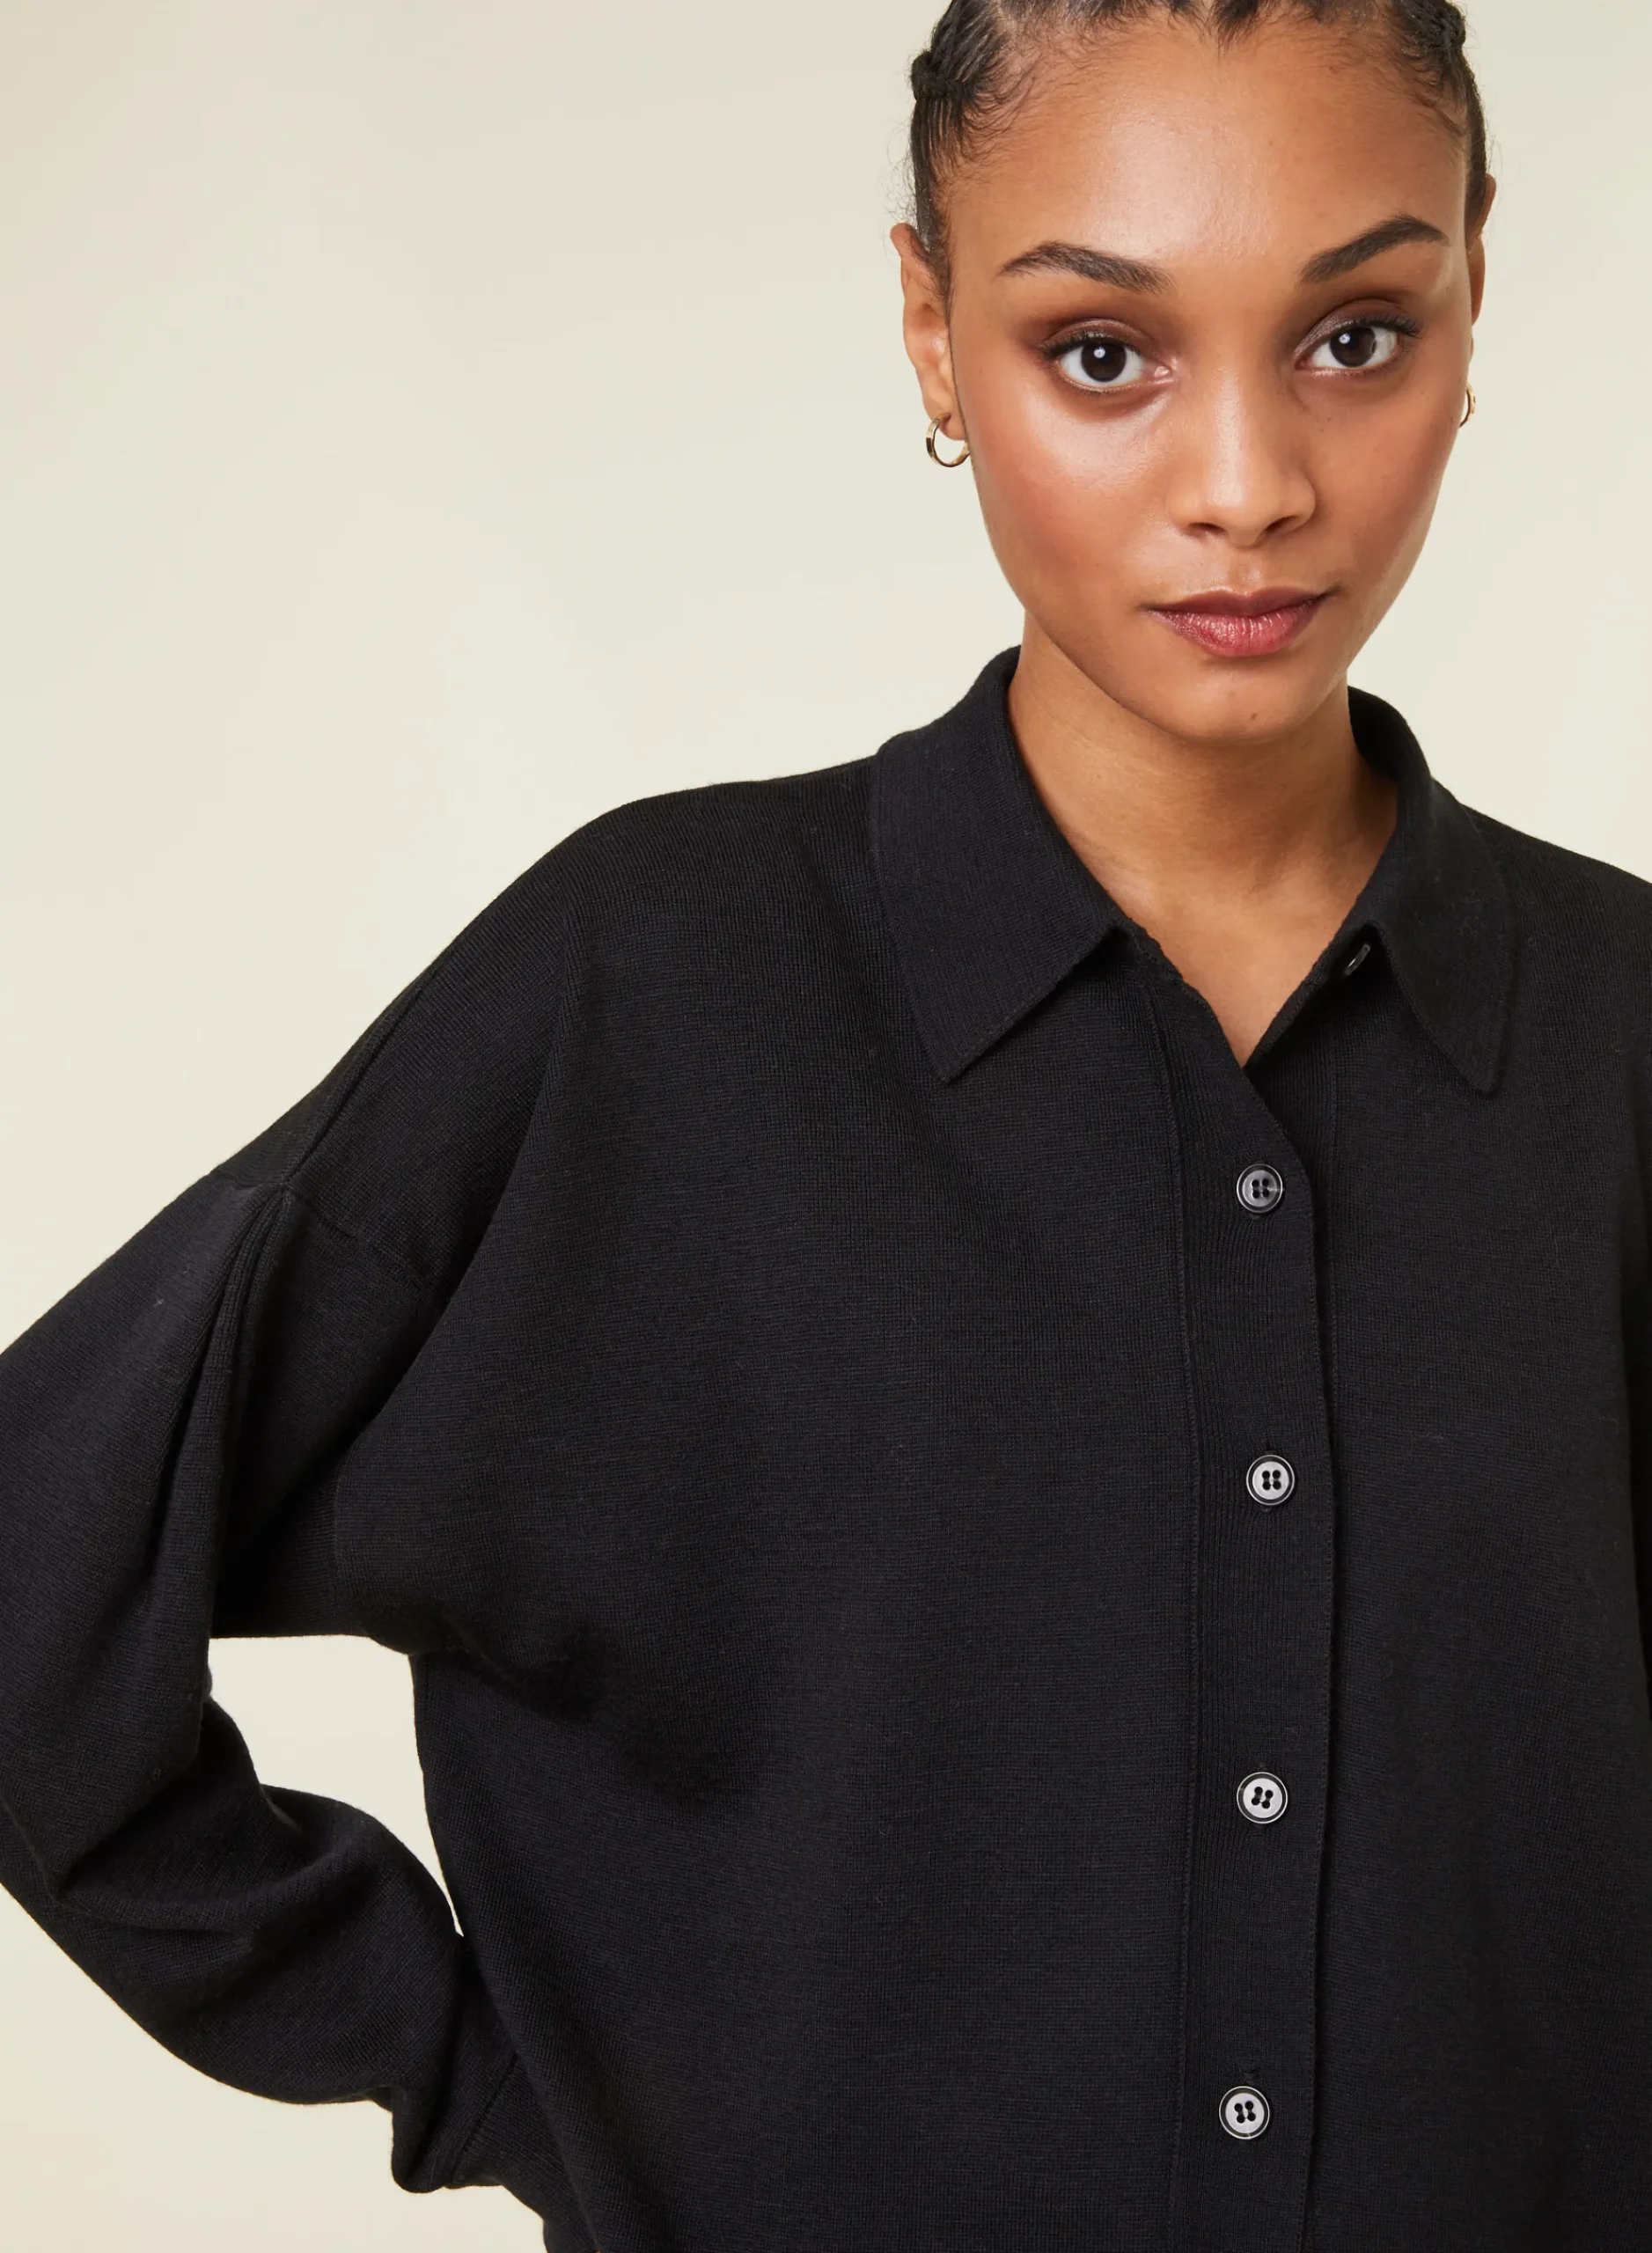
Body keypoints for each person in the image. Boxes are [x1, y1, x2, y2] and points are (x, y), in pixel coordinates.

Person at [0, 3, 1646, 2249]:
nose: (1247, 479)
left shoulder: (1621, 1035)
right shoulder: (646, 988)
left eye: (1353, 334)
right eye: (1100, 353)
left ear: (1473, 293)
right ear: (930, 332)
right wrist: (496, 2076)